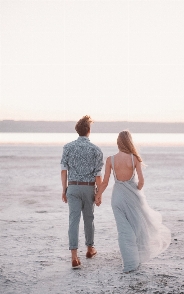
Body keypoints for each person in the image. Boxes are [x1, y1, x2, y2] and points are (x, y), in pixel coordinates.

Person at [95, 130, 171, 273]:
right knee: (137, 228)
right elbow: (141, 182)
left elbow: (105, 182)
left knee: (123, 231)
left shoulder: (110, 159)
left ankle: (129, 264)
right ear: (129, 142)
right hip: (133, 198)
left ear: (118, 143)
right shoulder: (134, 158)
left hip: (117, 198)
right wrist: (134, 189)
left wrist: (98, 195)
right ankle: (135, 261)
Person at [60, 115, 104, 269]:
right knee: (88, 219)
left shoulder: (67, 147)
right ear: (89, 131)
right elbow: (98, 176)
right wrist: (99, 194)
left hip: (72, 187)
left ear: (77, 130)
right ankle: (90, 249)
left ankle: (74, 256)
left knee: (73, 220)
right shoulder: (96, 150)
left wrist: (64, 189)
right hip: (88, 187)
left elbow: (64, 171)